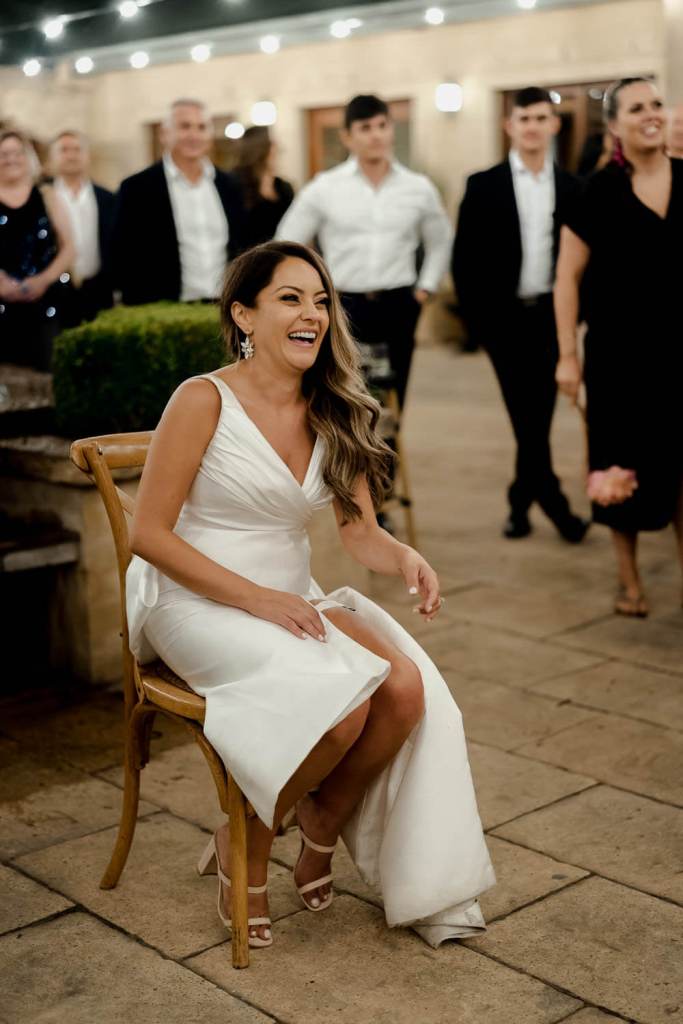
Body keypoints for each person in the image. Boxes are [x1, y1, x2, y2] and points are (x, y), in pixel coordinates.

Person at [126, 240, 494, 949]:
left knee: (405, 690)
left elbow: (360, 534)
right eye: (290, 299)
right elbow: (148, 535)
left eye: (321, 301)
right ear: (243, 314)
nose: (312, 315)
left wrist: (403, 556)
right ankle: (247, 845)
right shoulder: (202, 399)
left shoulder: (334, 404)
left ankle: (322, 821)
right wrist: (254, 599)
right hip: (193, 597)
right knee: (336, 707)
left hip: (290, 594)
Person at [555, 78, 682, 617]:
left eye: (657, 104)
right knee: (620, 472)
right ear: (614, 126)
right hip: (618, 360)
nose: (651, 114)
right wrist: (568, 355)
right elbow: (567, 278)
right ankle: (630, 582)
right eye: (636, 108)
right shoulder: (595, 193)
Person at [452, 87, 589, 543]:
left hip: (552, 318)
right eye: (524, 118)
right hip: (504, 322)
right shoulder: (482, 184)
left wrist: (576, 318)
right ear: (510, 126)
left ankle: (522, 501)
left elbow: (585, 262)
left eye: (541, 118)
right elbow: (464, 261)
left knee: (537, 420)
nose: (532, 127)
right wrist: (479, 325)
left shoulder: (573, 188)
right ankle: (555, 506)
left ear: (554, 125)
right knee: (525, 416)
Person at [276, 94, 452, 411]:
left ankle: (391, 444)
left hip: (400, 303)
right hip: (344, 305)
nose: (376, 135)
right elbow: (287, 243)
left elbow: (441, 240)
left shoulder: (418, 187)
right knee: (342, 392)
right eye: (365, 128)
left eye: (382, 125)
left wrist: (425, 287)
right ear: (347, 136)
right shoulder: (324, 187)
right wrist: (310, 294)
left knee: (393, 396)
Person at [112, 99, 244, 306]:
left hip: (224, 304)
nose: (194, 135)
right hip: (163, 309)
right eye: (185, 126)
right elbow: (122, 253)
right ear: (165, 134)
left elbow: (241, 246)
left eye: (201, 127)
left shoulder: (230, 185)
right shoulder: (136, 188)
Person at [0, 130, 74, 370]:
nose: (11, 159)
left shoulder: (48, 195)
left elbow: (69, 247)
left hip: (46, 306)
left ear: (27, 156)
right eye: (4, 154)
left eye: (17, 153)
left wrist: (42, 281)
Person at [51, 130, 116, 323]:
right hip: (54, 292)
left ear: (88, 156)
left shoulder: (108, 198)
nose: (71, 155)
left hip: (98, 292)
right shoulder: (43, 197)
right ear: (53, 157)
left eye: (77, 149)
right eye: (64, 150)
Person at [233, 126, 294, 249]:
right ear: (260, 148)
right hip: (245, 257)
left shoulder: (284, 188)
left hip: (280, 255)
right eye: (272, 144)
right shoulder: (234, 184)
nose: (278, 148)